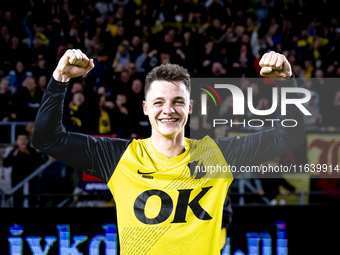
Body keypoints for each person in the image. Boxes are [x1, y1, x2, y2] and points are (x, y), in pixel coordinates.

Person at [32, 49, 304, 254]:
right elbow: (46, 139)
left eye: (178, 101)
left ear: (190, 107)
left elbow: (290, 134)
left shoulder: (218, 156)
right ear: (145, 108)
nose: (168, 110)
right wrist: (60, 79)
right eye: (159, 101)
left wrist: (285, 81)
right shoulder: (118, 157)